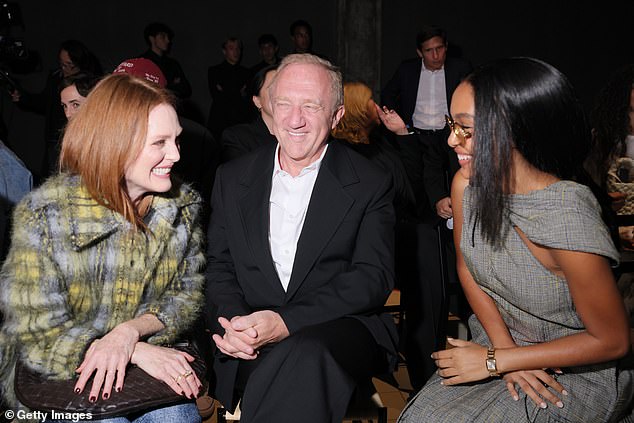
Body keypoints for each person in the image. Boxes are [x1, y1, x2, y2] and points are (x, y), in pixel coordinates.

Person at [398, 57, 634, 422]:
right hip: (498, 339)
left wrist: (496, 362)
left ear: (517, 132)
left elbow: (613, 340)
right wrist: (503, 353)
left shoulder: (567, 217)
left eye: (466, 129)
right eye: (452, 124)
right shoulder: (466, 185)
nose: (450, 140)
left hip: (577, 369)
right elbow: (468, 270)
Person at [0, 73, 206, 422]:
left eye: (176, 140)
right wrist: (132, 350)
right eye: (160, 143)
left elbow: (186, 296)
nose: (175, 154)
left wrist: (130, 332)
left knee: (177, 418)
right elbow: (34, 329)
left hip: (150, 361)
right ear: (116, 143)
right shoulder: (46, 216)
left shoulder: (180, 207)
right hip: (57, 370)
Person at [205, 54, 398, 423]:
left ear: (337, 115)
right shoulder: (232, 178)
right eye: (285, 104)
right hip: (246, 335)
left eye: (311, 106)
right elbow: (220, 267)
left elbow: (372, 277)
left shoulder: (370, 182)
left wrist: (285, 323)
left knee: (307, 355)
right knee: (290, 370)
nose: (295, 120)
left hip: (338, 330)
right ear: (268, 107)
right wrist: (236, 324)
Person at [381, 25, 472, 392]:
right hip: (419, 140)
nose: (436, 56)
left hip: (451, 142)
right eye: (429, 51)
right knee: (434, 208)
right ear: (420, 52)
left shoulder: (462, 69)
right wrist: (403, 129)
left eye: (440, 49)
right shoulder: (406, 71)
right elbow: (387, 97)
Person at [11, 39, 102, 179]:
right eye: (61, 64)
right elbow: (44, 102)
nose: (68, 113)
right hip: (55, 142)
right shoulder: (55, 78)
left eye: (69, 65)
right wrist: (23, 99)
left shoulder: (91, 84)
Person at [220, 65, 278, 163]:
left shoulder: (302, 135)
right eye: (272, 88)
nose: (280, 94)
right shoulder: (239, 138)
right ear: (257, 101)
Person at [206, 37, 252, 141]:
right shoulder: (214, 71)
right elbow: (217, 97)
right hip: (220, 123)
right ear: (224, 51)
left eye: (238, 48)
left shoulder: (247, 72)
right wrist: (238, 93)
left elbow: (248, 98)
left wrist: (226, 91)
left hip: (241, 122)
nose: (236, 52)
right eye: (231, 48)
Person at [140, 22, 192, 99]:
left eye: (168, 37)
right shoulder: (142, 62)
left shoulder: (173, 63)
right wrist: (172, 85)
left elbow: (186, 90)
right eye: (163, 36)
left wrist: (162, 87)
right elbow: (142, 92)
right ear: (152, 39)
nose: (168, 40)